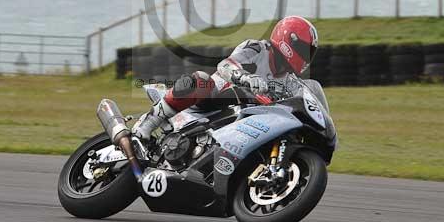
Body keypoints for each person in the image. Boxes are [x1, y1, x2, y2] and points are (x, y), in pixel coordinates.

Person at [132, 15, 319, 140]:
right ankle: (147, 124)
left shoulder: (290, 82)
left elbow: (304, 104)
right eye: (304, 50)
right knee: (201, 81)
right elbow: (225, 65)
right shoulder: (257, 49)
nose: (306, 57)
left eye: (310, 53)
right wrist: (246, 78)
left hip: (247, 119)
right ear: (289, 41)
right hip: (215, 98)